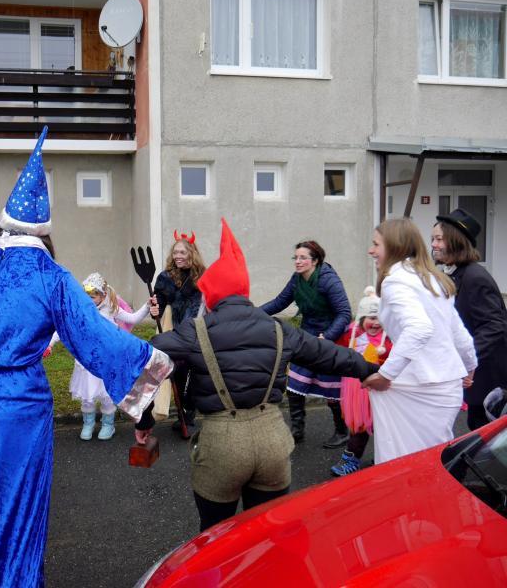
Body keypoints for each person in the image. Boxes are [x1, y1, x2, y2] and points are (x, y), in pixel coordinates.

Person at [0, 127, 172, 587]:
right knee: (17, 515)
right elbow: (96, 338)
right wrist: (151, 370)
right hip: (17, 407)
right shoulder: (49, 275)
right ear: (43, 230)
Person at [146, 219, 379, 531]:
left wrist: (144, 421)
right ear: (245, 290)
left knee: (216, 536)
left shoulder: (193, 332)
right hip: (272, 442)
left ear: (210, 295)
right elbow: (330, 355)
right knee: (266, 534)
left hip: (222, 447)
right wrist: (372, 371)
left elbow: (144, 360)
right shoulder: (280, 329)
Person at [363, 218, 477, 464]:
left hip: (421, 388)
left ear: (395, 246)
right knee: (432, 461)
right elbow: (457, 332)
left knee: (410, 464)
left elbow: (419, 328)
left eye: (376, 244)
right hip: (446, 387)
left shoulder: (395, 280)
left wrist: (385, 375)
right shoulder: (432, 278)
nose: (371, 250)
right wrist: (469, 365)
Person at [262, 241, 353, 448]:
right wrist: (251, 313)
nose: (298, 261)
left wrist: (327, 337)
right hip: (306, 335)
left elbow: (344, 313)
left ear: (315, 260)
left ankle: (342, 431)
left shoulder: (328, 280)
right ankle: (297, 430)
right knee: (295, 385)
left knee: (331, 388)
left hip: (329, 338)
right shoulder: (297, 279)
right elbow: (279, 302)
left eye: (303, 257)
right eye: (296, 257)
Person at [48, 272, 155, 441]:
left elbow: (133, 318)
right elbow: (63, 329)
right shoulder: (80, 310)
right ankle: (88, 423)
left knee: (107, 395)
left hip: (107, 361)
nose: (89, 300)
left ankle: (108, 424)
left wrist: (147, 306)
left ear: (103, 295)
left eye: (93, 297)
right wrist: (50, 344)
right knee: (87, 395)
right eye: (87, 296)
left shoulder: (111, 308)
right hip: (87, 361)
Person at [432, 208, 507, 430]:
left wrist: (466, 359)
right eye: (433, 239)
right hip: (476, 376)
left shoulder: (475, 277)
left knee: (485, 433)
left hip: (488, 378)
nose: (434, 244)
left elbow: (494, 326)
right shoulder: (455, 274)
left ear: (456, 241)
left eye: (439, 239)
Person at [330, 287, 392, 476]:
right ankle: (352, 459)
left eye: (379, 318)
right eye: (371, 318)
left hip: (384, 393)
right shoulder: (352, 337)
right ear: (362, 319)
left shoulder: (390, 341)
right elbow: (336, 352)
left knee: (385, 427)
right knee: (360, 427)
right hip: (359, 393)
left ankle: (386, 457)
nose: (375, 323)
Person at [150, 232, 206, 436]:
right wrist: (154, 309)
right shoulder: (165, 277)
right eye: (175, 252)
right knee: (179, 375)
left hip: (199, 331)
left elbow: (207, 302)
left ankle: (189, 414)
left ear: (192, 253)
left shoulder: (203, 276)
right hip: (176, 332)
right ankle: (182, 416)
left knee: (196, 376)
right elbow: (159, 301)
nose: (178, 256)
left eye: (182, 252)